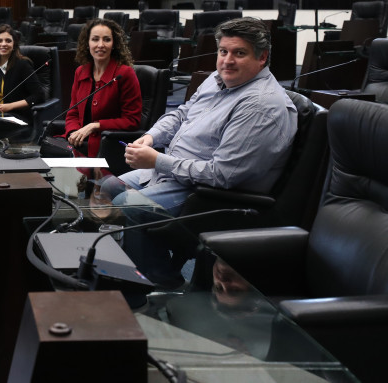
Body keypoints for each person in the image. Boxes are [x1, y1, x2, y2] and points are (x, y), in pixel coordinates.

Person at [101, 17, 297, 284]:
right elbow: (181, 114)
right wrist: (151, 137)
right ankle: (130, 267)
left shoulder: (260, 105)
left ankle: (159, 284)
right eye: (223, 51)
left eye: (239, 53)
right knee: (108, 186)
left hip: (213, 194)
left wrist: (158, 160)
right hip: (179, 172)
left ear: (262, 58)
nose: (227, 61)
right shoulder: (218, 79)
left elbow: (223, 175)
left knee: (129, 204)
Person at [64, 18, 142, 158]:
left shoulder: (124, 74)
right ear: (87, 44)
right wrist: (73, 132)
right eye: (95, 39)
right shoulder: (81, 72)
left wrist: (95, 126)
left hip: (107, 146)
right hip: (79, 143)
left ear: (114, 45)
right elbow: (73, 113)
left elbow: (132, 120)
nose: (100, 45)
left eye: (106, 39)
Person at [0, 24, 44, 141]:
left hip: (16, 119)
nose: (3, 44)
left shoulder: (23, 65)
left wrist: (9, 106)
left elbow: (38, 95)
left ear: (14, 44)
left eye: (8, 41)